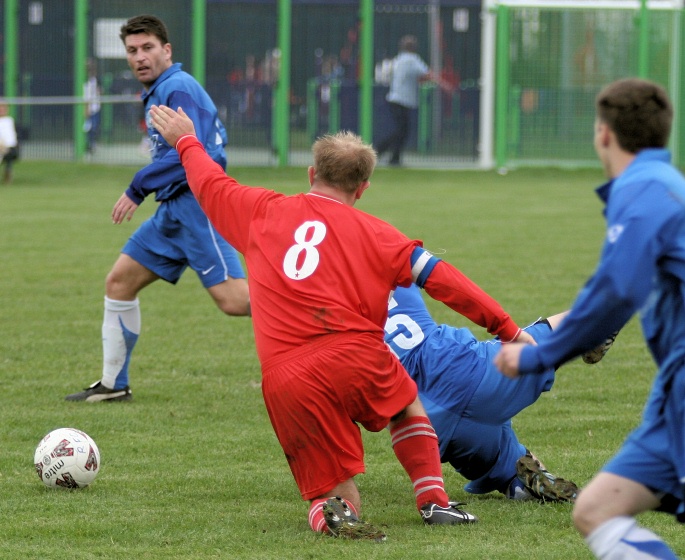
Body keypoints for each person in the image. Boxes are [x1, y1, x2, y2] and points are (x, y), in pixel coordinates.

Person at [150, 105, 536, 540]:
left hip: (287, 376)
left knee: (338, 491)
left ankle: (333, 512)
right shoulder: (379, 234)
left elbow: (209, 182)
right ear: (364, 188)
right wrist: (507, 329)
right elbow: (445, 280)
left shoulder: (260, 210)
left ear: (311, 173)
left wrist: (186, 140)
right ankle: (433, 502)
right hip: (357, 355)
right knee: (407, 404)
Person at [495, 78, 683, 560]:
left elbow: (618, 292)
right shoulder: (663, 186)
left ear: (603, 133)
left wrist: (542, 356)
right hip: (672, 399)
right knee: (595, 510)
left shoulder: (643, 189)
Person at [65, 14, 250, 403]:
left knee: (235, 301)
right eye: (132, 50)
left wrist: (137, 187)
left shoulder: (177, 86)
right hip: (173, 209)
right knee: (120, 282)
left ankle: (326, 310)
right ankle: (114, 385)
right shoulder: (160, 90)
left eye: (148, 48)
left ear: (167, 50)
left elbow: (195, 153)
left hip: (197, 207)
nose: (139, 57)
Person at [386, 284, 615, 503]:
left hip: (426, 424)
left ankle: (514, 479)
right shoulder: (387, 253)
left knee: (508, 468)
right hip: (468, 374)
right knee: (540, 340)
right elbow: (442, 277)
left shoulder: (351, 309)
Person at [374, 35, 445, 167]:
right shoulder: (413, 59)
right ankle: (379, 151)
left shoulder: (398, 59)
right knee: (402, 131)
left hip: (395, 98)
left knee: (402, 130)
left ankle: (394, 157)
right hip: (403, 100)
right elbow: (426, 73)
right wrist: (443, 84)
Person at [83, 58, 102, 154]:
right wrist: (86, 108)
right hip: (90, 108)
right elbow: (86, 96)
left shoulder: (96, 80)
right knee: (88, 128)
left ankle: (92, 144)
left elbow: (98, 92)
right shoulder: (86, 82)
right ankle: (88, 145)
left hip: (96, 107)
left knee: (94, 127)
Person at [0, 103, 19, 183]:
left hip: (9, 148)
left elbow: (12, 138)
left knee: (9, 154)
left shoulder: (10, 121)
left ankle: (8, 174)